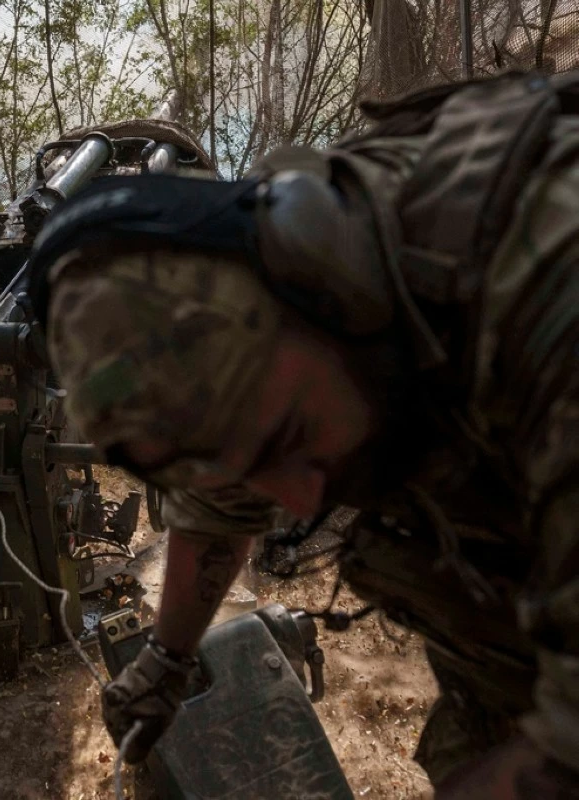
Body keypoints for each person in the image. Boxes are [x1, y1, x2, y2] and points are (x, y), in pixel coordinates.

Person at [30, 70, 579, 796]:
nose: (292, 496)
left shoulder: (552, 298)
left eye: (292, 434)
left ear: (327, 288)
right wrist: (167, 659)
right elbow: (222, 495)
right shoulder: (283, 318)